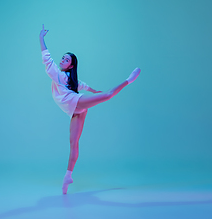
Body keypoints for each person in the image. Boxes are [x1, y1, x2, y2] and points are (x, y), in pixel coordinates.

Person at [39, 24, 141, 194]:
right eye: (62, 58)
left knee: (108, 95)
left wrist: (41, 38)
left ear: (71, 66)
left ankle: (129, 80)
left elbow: (47, 60)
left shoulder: (61, 76)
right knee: (73, 144)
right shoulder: (61, 77)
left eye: (66, 60)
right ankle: (68, 177)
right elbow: (79, 83)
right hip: (74, 110)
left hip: (76, 102)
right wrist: (91, 90)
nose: (62, 60)